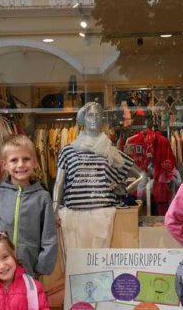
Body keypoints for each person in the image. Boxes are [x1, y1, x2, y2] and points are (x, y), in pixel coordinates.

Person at [53, 101, 147, 250]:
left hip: (103, 216)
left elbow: (143, 176)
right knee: (76, 266)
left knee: (102, 267)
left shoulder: (111, 152)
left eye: (98, 115)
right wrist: (55, 207)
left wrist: (125, 190)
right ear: (83, 118)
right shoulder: (68, 151)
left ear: (102, 119)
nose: (94, 119)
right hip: (73, 217)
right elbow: (59, 183)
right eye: (90, 115)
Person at [0, 134, 57, 277]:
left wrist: (41, 266)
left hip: (30, 269)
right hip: (0, 269)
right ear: (4, 165)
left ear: (35, 162)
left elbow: (49, 237)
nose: (21, 165)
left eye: (26, 159)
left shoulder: (42, 197)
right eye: (14, 160)